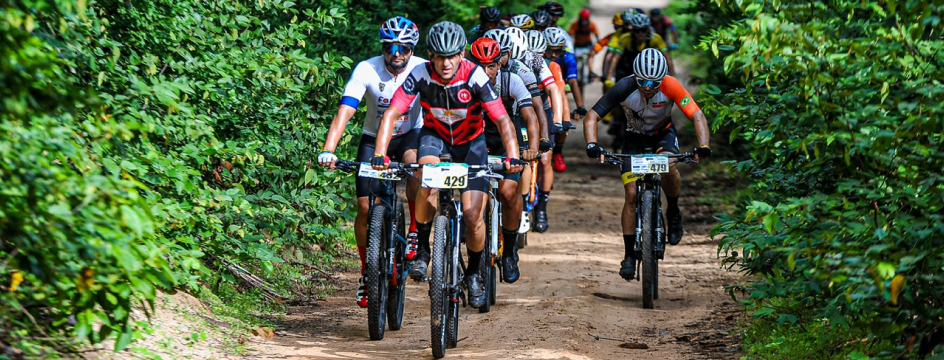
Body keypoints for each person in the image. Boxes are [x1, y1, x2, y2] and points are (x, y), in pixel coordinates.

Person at [371, 21, 524, 309]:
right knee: (424, 180)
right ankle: (423, 251)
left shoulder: (475, 75)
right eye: (439, 56)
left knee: (471, 215)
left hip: (471, 146)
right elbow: (392, 112)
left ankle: (476, 274)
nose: (445, 63)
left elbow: (503, 119)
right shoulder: (419, 74)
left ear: (462, 53)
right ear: (430, 54)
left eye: (452, 56)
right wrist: (380, 153)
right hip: (435, 139)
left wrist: (513, 156)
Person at [318, 16, 425, 308]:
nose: (397, 54)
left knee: (416, 167)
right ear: (383, 47)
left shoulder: (422, 68)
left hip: (409, 135)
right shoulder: (367, 68)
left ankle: (414, 229)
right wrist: (329, 149)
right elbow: (346, 110)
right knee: (365, 206)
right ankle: (367, 271)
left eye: (404, 47)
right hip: (372, 137)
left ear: (412, 48)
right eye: (391, 47)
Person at [582, 49, 712, 280]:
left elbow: (697, 115)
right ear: (635, 77)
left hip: (663, 135)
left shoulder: (671, 85)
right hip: (634, 138)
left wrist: (703, 146)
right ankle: (629, 255)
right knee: (631, 195)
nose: (649, 87)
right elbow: (592, 116)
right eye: (643, 81)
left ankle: (673, 209)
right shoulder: (624, 86)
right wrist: (592, 144)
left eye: (654, 82)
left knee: (669, 167)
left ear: (662, 78)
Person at [468, 38, 542, 283]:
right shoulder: (463, 83)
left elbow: (530, 117)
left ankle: (509, 251)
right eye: (479, 65)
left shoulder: (512, 80)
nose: (485, 71)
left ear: (499, 64)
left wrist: (531, 149)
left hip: (506, 139)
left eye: (490, 65)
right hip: (475, 139)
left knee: (509, 192)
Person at [606, 13, 674, 152]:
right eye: (637, 30)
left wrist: (672, 78)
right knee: (618, 99)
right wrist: (609, 77)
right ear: (633, 31)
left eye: (643, 30)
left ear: (648, 29)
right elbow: (614, 59)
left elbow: (668, 59)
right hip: (627, 73)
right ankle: (618, 121)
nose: (640, 33)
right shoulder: (625, 39)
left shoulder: (656, 39)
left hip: (649, 75)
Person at [521, 29, 565, 233]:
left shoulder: (547, 66)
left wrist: (557, 120)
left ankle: (542, 209)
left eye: (540, 53)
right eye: (532, 53)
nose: (536, 58)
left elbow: (556, 91)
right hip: (520, 110)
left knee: (545, 159)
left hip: (543, 111)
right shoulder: (516, 64)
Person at [543, 27, 586, 172]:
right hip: (539, 92)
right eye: (550, 50)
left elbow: (573, 82)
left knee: (560, 113)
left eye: (558, 51)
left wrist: (580, 106)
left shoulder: (567, 57)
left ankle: (558, 151)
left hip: (559, 87)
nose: (554, 54)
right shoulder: (537, 59)